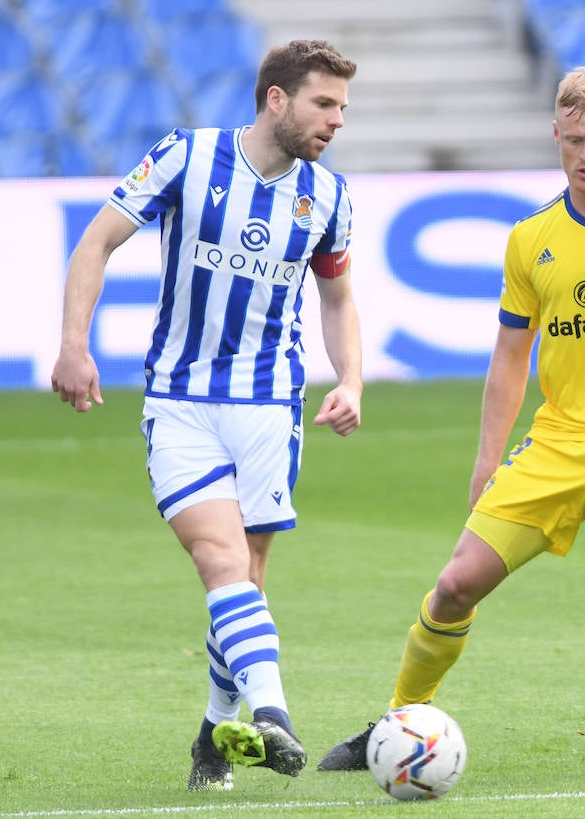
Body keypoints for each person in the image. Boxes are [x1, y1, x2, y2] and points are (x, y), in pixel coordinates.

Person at [318, 65, 585, 776]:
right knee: (456, 584)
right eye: (575, 141)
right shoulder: (531, 238)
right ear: (555, 135)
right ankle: (396, 723)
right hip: (559, 440)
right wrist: (487, 460)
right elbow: (511, 355)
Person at [50, 40, 363, 791]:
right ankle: (274, 715)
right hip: (181, 402)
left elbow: (338, 297)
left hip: (271, 406)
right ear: (277, 98)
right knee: (220, 561)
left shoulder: (329, 196)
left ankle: (212, 738)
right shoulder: (186, 157)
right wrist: (73, 345)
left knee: (245, 578)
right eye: (324, 104)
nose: (336, 121)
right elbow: (96, 242)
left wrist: (351, 379)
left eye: (343, 108)